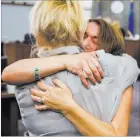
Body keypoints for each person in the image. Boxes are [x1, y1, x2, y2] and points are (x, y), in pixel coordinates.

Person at [2, 1, 139, 136]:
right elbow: (8, 74)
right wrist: (67, 60)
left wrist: (68, 107)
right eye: (85, 35)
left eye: (95, 39)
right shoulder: (124, 67)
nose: (87, 43)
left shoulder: (122, 69)